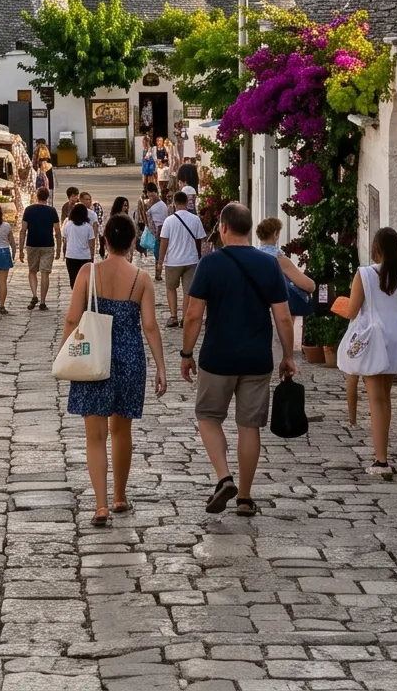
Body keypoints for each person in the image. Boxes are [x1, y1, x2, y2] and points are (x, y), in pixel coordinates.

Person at [182, 203, 295, 517]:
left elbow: (193, 315)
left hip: (217, 356)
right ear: (248, 229)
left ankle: (224, 477)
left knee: (208, 417)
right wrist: (288, 356)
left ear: (223, 228)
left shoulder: (210, 264)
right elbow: (283, 318)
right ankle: (244, 497)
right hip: (256, 358)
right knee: (249, 426)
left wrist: (186, 353)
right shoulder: (269, 264)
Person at [64, 213, 167, 525]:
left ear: (104, 240)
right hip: (129, 359)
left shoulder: (88, 272)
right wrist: (161, 367)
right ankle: (120, 496)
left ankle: (100, 506)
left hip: (94, 356)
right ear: (133, 242)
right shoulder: (141, 279)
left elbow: (72, 318)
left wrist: (63, 354)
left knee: (95, 436)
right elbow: (150, 326)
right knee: (121, 431)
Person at [341, 227, 397, 479]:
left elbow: (352, 311)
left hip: (374, 336)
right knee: (385, 397)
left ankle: (381, 460)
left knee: (376, 399)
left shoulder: (364, 274)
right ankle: (383, 453)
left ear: (377, 248)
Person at [155, 191, 209, 328]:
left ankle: (173, 316)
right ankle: (185, 318)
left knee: (171, 288)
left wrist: (160, 261)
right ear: (186, 203)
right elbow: (200, 240)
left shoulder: (169, 221)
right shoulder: (195, 219)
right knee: (188, 291)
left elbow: (164, 242)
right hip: (191, 260)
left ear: (175, 203)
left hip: (173, 261)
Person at [22, 188, 62, 309]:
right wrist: (59, 248)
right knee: (45, 274)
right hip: (48, 244)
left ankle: (34, 295)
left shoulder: (28, 210)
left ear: (36, 196)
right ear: (47, 197)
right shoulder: (52, 211)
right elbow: (57, 230)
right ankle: (43, 302)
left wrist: (21, 249)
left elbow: (23, 230)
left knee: (32, 271)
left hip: (32, 243)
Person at [62, 199, 98, 289]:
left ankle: (76, 294)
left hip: (71, 255)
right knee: (85, 279)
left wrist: (64, 252)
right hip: (85, 256)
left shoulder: (68, 225)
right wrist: (92, 256)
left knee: (73, 279)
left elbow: (65, 240)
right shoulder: (88, 227)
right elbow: (91, 243)